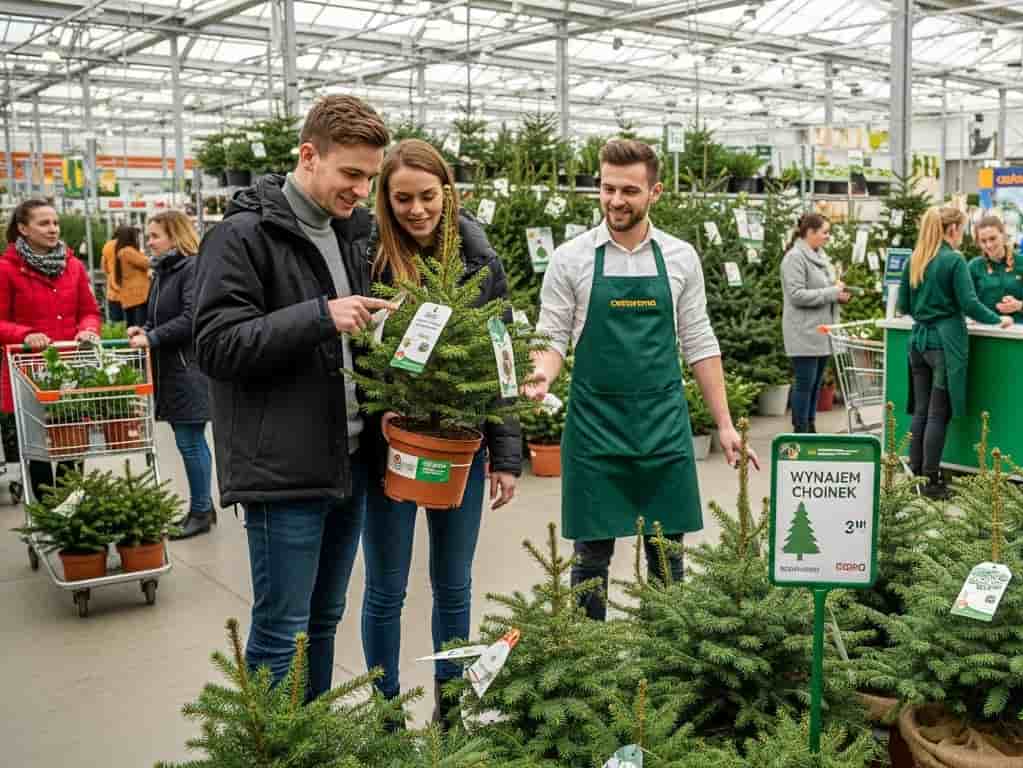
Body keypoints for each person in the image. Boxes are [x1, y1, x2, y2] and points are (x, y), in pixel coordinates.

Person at [193, 95, 394, 700]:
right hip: (283, 472)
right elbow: (216, 346)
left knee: (324, 620)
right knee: (282, 631)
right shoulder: (241, 236)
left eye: (370, 177)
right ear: (309, 156)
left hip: (347, 462)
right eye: (351, 174)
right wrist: (320, 316)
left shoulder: (351, 232)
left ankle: (312, 736)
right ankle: (270, 744)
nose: (361, 190)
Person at [526, 138, 757, 620]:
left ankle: (666, 650)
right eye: (607, 188)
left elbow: (699, 340)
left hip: (663, 424)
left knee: (667, 555)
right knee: (591, 558)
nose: (615, 200)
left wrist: (725, 423)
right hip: (594, 426)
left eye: (629, 190)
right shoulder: (571, 258)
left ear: (655, 192)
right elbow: (552, 334)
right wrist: (541, 375)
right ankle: (589, 651)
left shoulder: (680, 257)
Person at [360, 138, 522, 727]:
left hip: (458, 444)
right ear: (385, 199)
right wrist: (375, 410)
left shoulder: (481, 261)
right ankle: (386, 715)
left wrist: (507, 454)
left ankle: (451, 710)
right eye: (402, 199)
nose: (417, 210)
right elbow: (353, 354)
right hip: (389, 448)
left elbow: (501, 359)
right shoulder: (368, 256)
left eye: (428, 196)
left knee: (454, 585)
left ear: (448, 192)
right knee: (386, 589)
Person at [898, 207, 1013, 500]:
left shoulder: (915, 258)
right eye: (961, 229)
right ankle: (932, 482)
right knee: (938, 414)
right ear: (951, 229)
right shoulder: (954, 260)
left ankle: (916, 475)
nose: (962, 235)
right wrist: (997, 319)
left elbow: (904, 305)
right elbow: (969, 303)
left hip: (918, 343)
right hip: (944, 345)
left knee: (921, 412)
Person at [0, 200, 102, 497]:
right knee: (39, 452)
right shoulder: (6, 270)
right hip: (28, 373)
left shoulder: (73, 266)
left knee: (73, 445)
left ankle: (70, 513)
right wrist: (26, 334)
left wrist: (88, 328)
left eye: (55, 223)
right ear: (23, 228)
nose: (53, 229)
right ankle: (48, 516)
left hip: (70, 371)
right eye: (43, 223)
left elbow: (90, 311)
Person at [127, 211, 215, 540]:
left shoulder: (191, 268)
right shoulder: (164, 270)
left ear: (174, 236)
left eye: (154, 236)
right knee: (189, 440)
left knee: (190, 442)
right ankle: (204, 506)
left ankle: (201, 511)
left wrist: (152, 337)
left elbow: (192, 318)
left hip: (188, 370)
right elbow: (159, 315)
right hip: (172, 370)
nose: (149, 242)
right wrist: (144, 328)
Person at [781, 213, 849, 434]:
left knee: (815, 384)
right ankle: (800, 430)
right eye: (825, 232)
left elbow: (826, 290)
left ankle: (810, 427)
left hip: (821, 332)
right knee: (805, 383)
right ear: (810, 232)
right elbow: (796, 295)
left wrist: (839, 295)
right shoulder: (795, 258)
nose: (828, 236)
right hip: (804, 332)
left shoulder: (821, 257)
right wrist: (832, 292)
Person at [969, 215, 1023, 324]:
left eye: (993, 238)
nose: (989, 245)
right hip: (985, 328)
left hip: (1017, 328)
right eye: (983, 241)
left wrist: (1020, 305)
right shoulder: (974, 266)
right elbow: (967, 302)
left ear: (1003, 235)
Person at [112, 225, 151, 328]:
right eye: (136, 236)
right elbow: (146, 263)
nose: (137, 239)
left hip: (129, 296)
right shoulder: (128, 251)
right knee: (140, 327)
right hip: (138, 295)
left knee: (132, 326)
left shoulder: (121, 251)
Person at [101, 236, 124, 322]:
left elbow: (104, 267)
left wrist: (111, 275)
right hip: (130, 294)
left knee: (116, 323)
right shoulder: (130, 245)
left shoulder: (108, 246)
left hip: (113, 293)